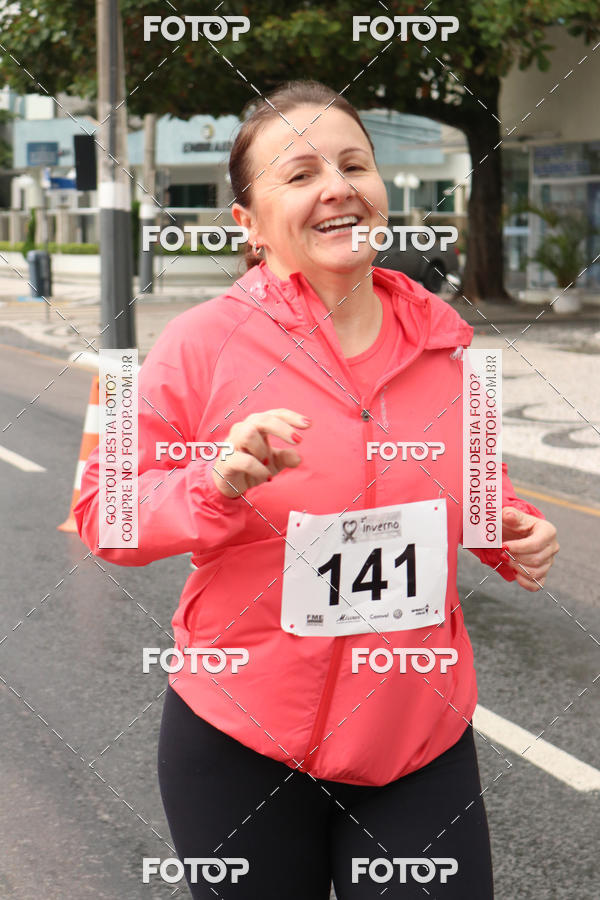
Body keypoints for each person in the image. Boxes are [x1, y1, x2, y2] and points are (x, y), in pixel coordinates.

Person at [75, 80, 559, 899]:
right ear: (250, 224)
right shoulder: (195, 343)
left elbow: (480, 491)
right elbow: (104, 513)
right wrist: (216, 482)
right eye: (299, 174)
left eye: (352, 164)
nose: (336, 186)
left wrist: (515, 532)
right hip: (239, 740)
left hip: (416, 739)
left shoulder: (452, 345)